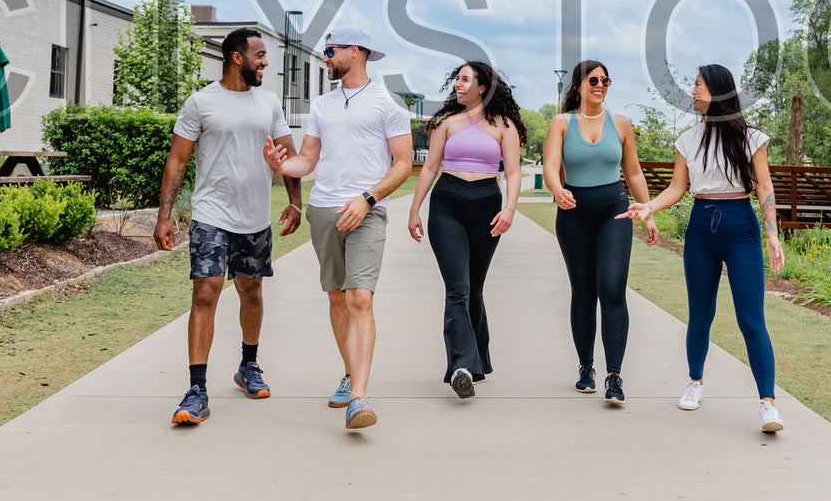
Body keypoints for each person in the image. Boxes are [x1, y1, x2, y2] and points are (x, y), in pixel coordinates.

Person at [620, 63, 785, 432]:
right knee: (700, 313)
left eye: (697, 86)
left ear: (718, 91)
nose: (692, 92)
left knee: (751, 318)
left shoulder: (751, 138)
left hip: (740, 226)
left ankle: (768, 404)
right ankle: (694, 382)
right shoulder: (688, 140)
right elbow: (678, 189)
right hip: (701, 226)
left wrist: (772, 234)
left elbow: (764, 188)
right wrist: (649, 206)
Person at [264, 26, 412, 430]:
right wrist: (280, 166)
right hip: (324, 210)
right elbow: (306, 161)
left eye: (330, 51)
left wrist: (368, 199)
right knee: (336, 299)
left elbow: (402, 164)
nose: (325, 58)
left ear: (355, 51)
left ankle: (359, 399)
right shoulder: (322, 106)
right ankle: (349, 375)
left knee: (360, 298)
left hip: (366, 210)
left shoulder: (388, 103)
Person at [155, 27, 302, 426]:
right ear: (237, 57)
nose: (265, 62)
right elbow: (177, 161)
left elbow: (287, 154)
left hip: (253, 217)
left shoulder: (269, 102)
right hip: (211, 214)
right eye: (259, 55)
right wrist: (165, 215)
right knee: (206, 290)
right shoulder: (201, 102)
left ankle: (247, 366)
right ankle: (196, 389)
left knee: (250, 290)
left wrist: (295, 202)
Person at [407, 61, 527, 399]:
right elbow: (430, 167)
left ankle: (478, 358)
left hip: (488, 205)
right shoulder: (446, 123)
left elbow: (514, 173)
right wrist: (415, 210)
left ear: (482, 86)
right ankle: (461, 365)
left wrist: (509, 209)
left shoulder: (504, 126)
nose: (457, 85)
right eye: (457, 79)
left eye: (464, 79)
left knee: (474, 288)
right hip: (448, 204)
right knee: (457, 288)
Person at [541, 59, 657, 406]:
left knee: (612, 289)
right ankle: (586, 368)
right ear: (578, 85)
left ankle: (614, 375)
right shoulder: (562, 123)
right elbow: (549, 165)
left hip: (614, 212)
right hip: (574, 214)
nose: (601, 85)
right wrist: (557, 190)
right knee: (584, 292)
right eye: (594, 79)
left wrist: (648, 211)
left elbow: (633, 172)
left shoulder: (620, 123)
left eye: (606, 80)